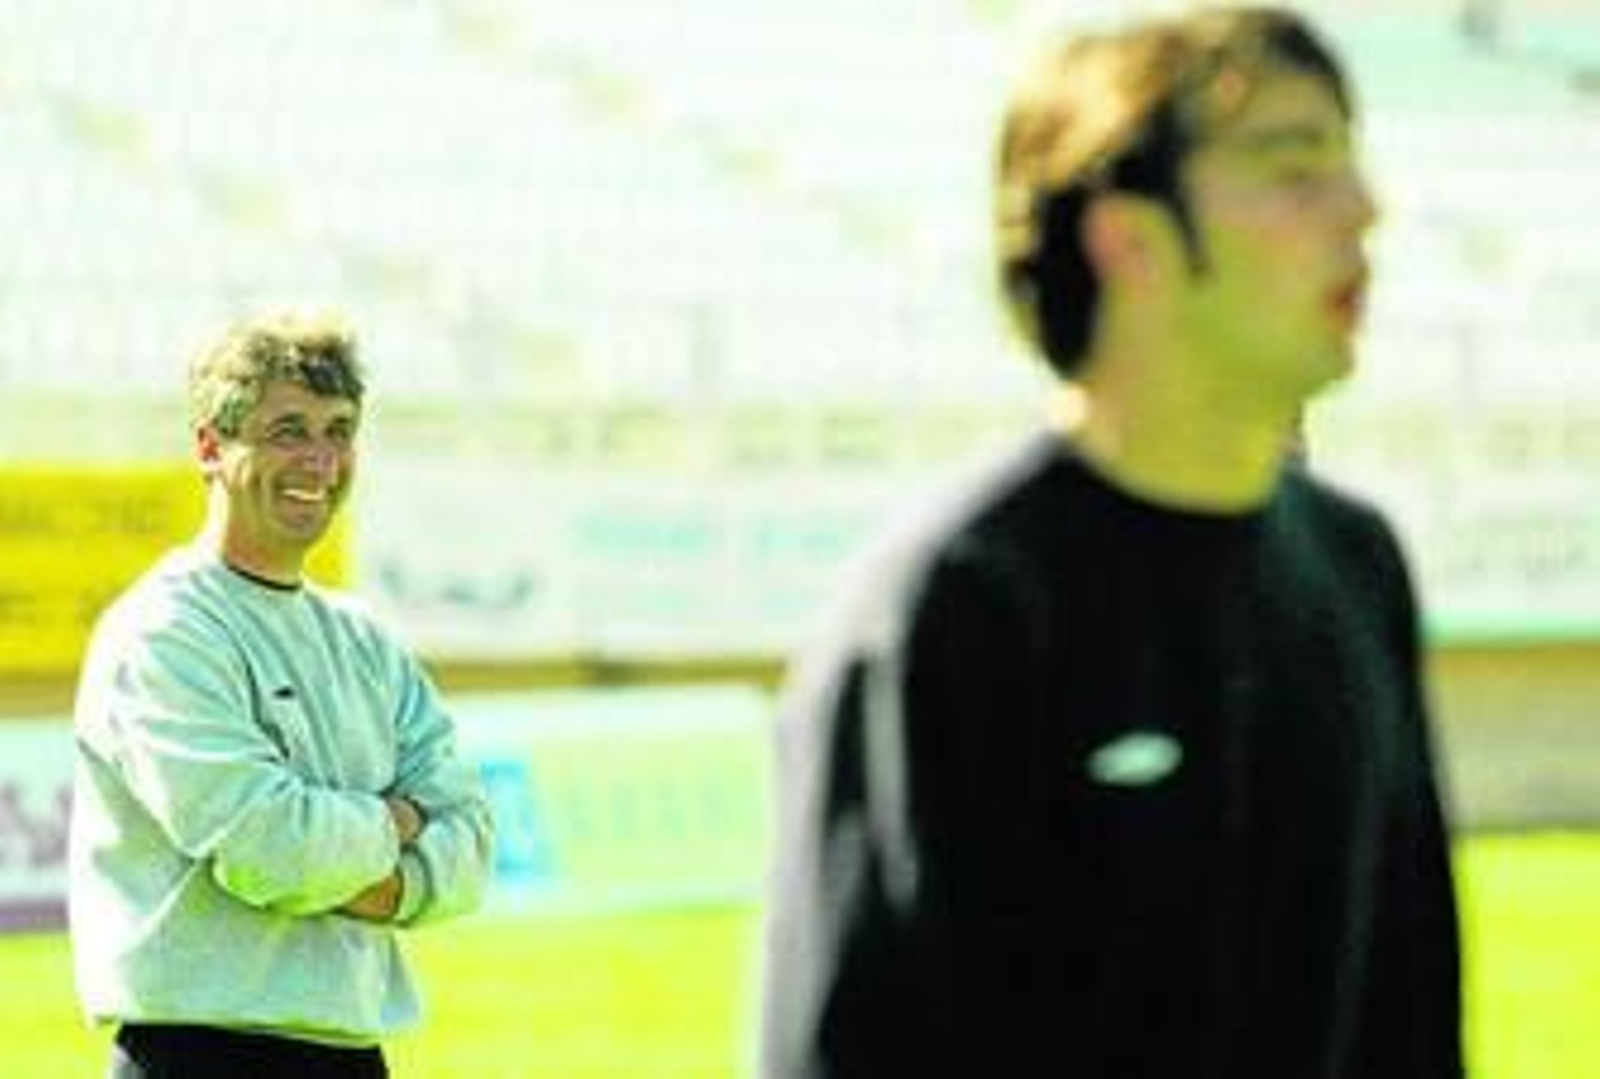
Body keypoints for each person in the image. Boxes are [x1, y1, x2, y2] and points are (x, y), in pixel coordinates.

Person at [759, 7, 1462, 1077]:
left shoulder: (1357, 565)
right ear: (1126, 234)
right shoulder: (956, 601)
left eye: (1349, 161)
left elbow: (1411, 1018)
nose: (1363, 210)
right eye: (1293, 164)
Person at [69, 313, 494, 1077]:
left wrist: (362, 867)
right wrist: (396, 819)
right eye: (288, 430)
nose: (320, 460)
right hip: (195, 1056)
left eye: (339, 430)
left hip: (354, 1055)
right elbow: (268, 850)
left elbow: (472, 841)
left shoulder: (367, 640)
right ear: (210, 447)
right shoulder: (165, 632)